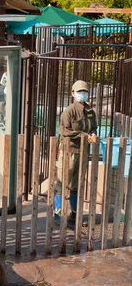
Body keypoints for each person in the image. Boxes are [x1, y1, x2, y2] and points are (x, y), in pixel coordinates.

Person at [54, 80, 97, 225]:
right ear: (72, 93)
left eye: (84, 92)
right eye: (79, 92)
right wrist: (84, 135)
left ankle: (74, 215)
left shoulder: (90, 112)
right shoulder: (69, 111)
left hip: (83, 152)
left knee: (76, 184)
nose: (82, 94)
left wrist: (93, 134)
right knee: (62, 182)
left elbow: (93, 127)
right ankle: (58, 215)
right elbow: (64, 131)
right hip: (69, 151)